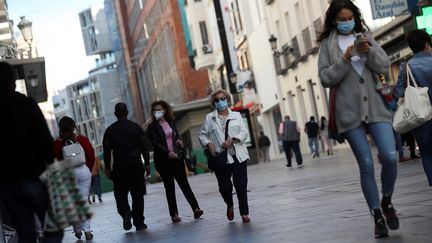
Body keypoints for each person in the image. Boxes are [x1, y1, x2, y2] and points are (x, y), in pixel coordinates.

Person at [317, 0, 399, 238]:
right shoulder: (327, 44)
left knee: (390, 156)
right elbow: (324, 77)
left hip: (376, 108)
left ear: (355, 17)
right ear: (334, 20)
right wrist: (344, 59)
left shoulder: (365, 35)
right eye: (341, 19)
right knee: (365, 164)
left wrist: (369, 52)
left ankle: (387, 200)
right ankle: (376, 215)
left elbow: (384, 65)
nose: (346, 23)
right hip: (348, 112)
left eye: (349, 18)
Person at [0, 61, 64, 243]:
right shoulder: (26, 104)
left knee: (26, 232)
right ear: (12, 81)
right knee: (54, 228)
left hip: (6, 183)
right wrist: (52, 166)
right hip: (32, 176)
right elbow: (45, 140)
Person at [198, 89, 251, 223]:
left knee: (241, 185)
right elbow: (202, 134)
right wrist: (209, 144)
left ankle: (244, 213)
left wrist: (233, 139)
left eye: (223, 99)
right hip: (220, 157)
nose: (220, 102)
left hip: (238, 155)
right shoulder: (210, 118)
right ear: (213, 103)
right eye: (217, 100)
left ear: (227, 99)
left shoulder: (237, 115)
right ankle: (229, 204)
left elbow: (244, 132)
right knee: (224, 187)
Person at [147, 100, 203, 222]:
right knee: (169, 187)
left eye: (159, 109)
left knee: (184, 184)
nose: (157, 112)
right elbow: (155, 143)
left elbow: (176, 135)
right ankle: (174, 214)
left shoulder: (171, 122)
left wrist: (179, 140)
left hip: (176, 158)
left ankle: (196, 208)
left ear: (165, 110)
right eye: (155, 110)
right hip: (163, 161)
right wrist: (168, 153)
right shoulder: (152, 127)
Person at [103, 102, 151, 231]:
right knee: (137, 195)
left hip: (120, 166)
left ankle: (125, 213)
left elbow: (107, 151)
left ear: (115, 114)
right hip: (136, 164)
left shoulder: (110, 130)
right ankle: (139, 222)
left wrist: (107, 168)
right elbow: (144, 147)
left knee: (120, 194)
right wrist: (147, 164)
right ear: (127, 112)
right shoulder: (136, 127)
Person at [394, 29, 432, 186]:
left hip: (421, 115)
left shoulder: (406, 67)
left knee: (427, 152)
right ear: (426, 44)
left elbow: (398, 93)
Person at [53, 116, 95, 240]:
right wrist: (88, 169)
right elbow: (91, 156)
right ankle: (87, 230)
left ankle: (77, 229)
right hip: (83, 171)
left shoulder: (57, 143)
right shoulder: (82, 139)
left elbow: (55, 162)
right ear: (73, 126)